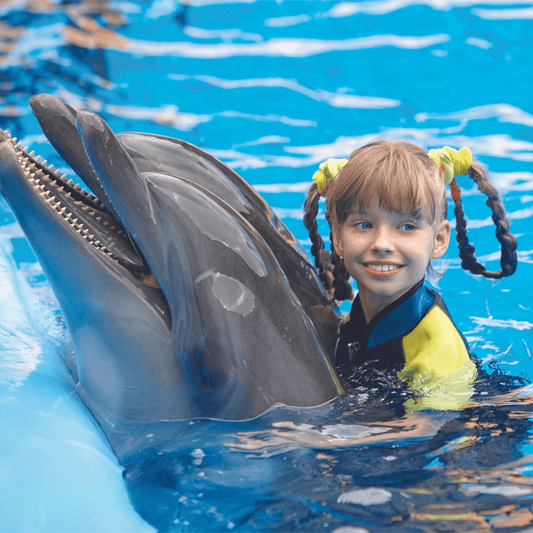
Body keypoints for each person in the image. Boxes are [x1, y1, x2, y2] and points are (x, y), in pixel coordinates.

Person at [303, 141, 517, 403]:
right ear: (337, 236)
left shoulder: (437, 351)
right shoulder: (361, 316)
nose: (382, 244)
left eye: (407, 227)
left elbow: (432, 425)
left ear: (438, 240)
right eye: (364, 224)